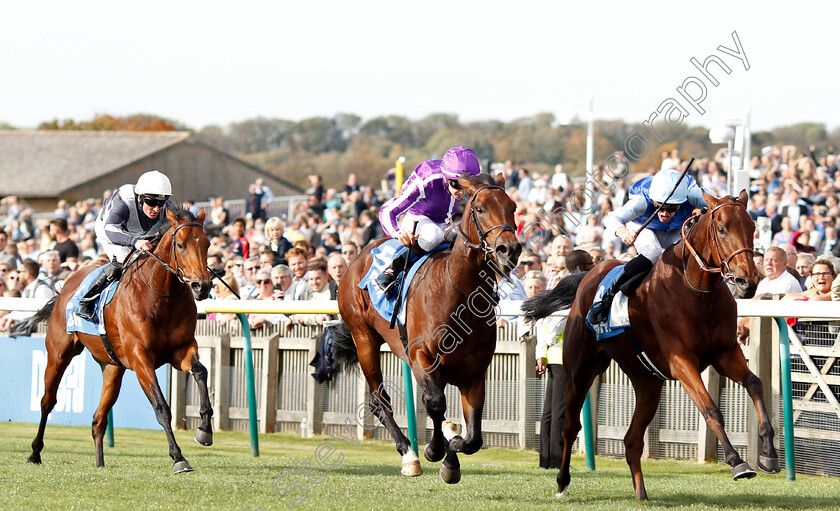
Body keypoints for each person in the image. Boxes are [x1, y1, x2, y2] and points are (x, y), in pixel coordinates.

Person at [588, 168, 708, 324]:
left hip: (675, 230)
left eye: (671, 208)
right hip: (644, 227)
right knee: (653, 251)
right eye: (659, 206)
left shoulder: (693, 194)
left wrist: (705, 211)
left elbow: (724, 203)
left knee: (689, 252)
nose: (664, 213)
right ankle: (608, 297)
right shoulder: (641, 201)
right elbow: (611, 219)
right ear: (653, 200)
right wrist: (623, 232)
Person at [376, 146, 481, 293]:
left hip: (451, 222)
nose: (462, 191)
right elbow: (388, 211)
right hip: (419, 216)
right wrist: (399, 233)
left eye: (467, 185)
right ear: (445, 177)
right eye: (456, 184)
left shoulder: (480, 185)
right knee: (433, 236)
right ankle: (392, 269)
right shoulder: (428, 179)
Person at [77, 170, 175, 322]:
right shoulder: (125, 200)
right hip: (111, 229)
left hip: (142, 232)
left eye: (161, 203)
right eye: (151, 202)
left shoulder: (167, 206)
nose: (156, 208)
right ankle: (86, 302)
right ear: (140, 197)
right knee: (124, 261)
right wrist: (134, 242)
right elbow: (110, 230)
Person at [535, 248, 594, 469]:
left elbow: (544, 322)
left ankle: (546, 460)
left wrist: (541, 352)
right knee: (560, 410)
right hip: (562, 356)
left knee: (550, 411)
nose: (593, 265)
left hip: (553, 356)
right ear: (579, 268)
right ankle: (558, 459)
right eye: (589, 263)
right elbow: (559, 320)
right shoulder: (575, 285)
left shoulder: (562, 283)